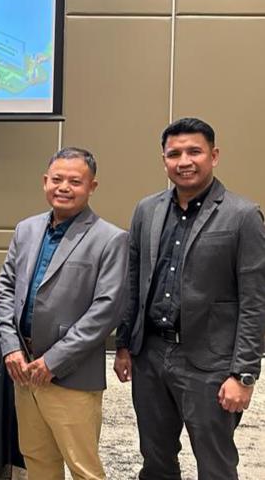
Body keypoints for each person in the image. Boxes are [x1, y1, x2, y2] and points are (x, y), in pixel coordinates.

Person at [114, 117, 265, 479]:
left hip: (210, 363)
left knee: (214, 464)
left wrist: (243, 374)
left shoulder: (243, 215)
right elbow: (133, 282)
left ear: (214, 155)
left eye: (194, 151)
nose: (184, 161)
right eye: (174, 153)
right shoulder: (147, 210)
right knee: (155, 459)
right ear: (164, 160)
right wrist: (123, 344)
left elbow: (255, 301)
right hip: (151, 355)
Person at [0, 148, 128, 480]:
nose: (64, 187)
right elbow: (6, 288)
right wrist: (10, 347)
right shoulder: (26, 229)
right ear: (45, 181)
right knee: (37, 460)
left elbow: (106, 311)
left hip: (71, 375)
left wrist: (53, 361)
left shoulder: (111, 239)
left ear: (92, 187)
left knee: (83, 468)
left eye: (75, 181)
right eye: (57, 179)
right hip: (25, 369)